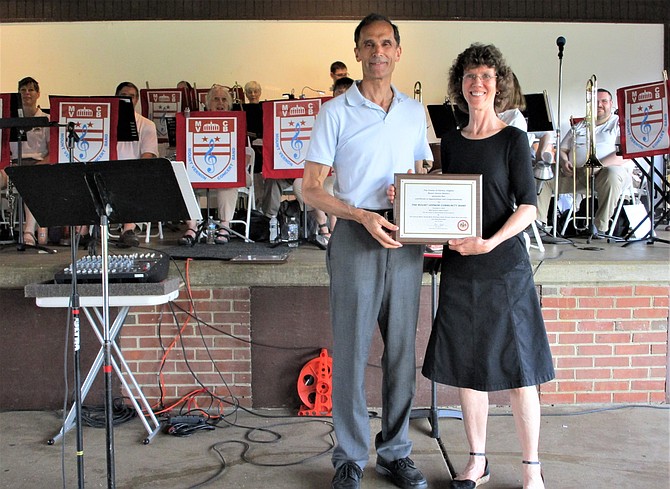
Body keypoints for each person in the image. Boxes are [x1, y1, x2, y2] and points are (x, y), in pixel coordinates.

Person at [303, 14, 432, 489]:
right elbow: (311, 188)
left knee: (401, 352)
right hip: (356, 235)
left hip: (404, 238)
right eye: (368, 44)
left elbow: (419, 171)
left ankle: (395, 453)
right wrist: (359, 215)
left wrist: (416, 195)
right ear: (357, 53)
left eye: (386, 43)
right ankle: (350, 457)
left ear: (399, 51)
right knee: (353, 352)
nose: (378, 51)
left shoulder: (415, 112)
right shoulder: (334, 112)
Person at [420, 43, 554, 489]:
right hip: (462, 268)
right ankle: (477, 461)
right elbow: (449, 196)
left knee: (520, 370)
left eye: (486, 76)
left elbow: (529, 207)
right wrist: (413, 198)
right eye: (470, 76)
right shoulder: (453, 142)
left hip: (504, 269)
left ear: (499, 86)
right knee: (467, 367)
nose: (477, 83)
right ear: (460, 85)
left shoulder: (514, 139)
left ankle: (531, 468)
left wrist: (491, 241)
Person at [536, 88, 633, 234]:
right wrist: (563, 162)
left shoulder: (620, 124)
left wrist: (597, 165)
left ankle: (600, 227)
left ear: (611, 104)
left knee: (612, 173)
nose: (599, 105)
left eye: (604, 101)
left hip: (606, 173)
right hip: (577, 173)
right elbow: (562, 149)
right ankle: (538, 225)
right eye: (596, 102)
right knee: (543, 176)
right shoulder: (580, 125)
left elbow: (624, 152)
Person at [291, 77, 353, 247]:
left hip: (343, 173)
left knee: (332, 186)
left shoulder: (357, 119)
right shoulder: (326, 115)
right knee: (300, 184)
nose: (342, 96)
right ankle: (322, 225)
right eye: (339, 92)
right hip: (320, 170)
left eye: (346, 92)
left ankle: (335, 231)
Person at [179, 84, 240, 245]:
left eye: (224, 99)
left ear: (230, 104)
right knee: (181, 181)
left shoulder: (237, 123)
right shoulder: (194, 121)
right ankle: (192, 226)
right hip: (198, 171)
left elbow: (246, 155)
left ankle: (224, 226)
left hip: (230, 172)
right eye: (216, 99)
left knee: (230, 181)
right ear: (207, 103)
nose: (220, 103)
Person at [115, 81, 160, 247]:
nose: (127, 100)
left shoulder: (147, 125)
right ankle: (83, 232)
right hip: (109, 170)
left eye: (131, 96)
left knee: (134, 181)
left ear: (137, 100)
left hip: (134, 170)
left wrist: (134, 171)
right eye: (123, 96)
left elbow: (148, 154)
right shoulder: (107, 121)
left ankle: (128, 230)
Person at [7, 77, 50, 246]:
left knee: (31, 179)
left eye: (31, 90)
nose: (27, 93)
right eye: (23, 90)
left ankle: (28, 232)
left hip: (37, 165)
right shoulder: (9, 120)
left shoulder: (46, 119)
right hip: (12, 165)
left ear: (38, 94)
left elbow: (53, 153)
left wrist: (40, 165)